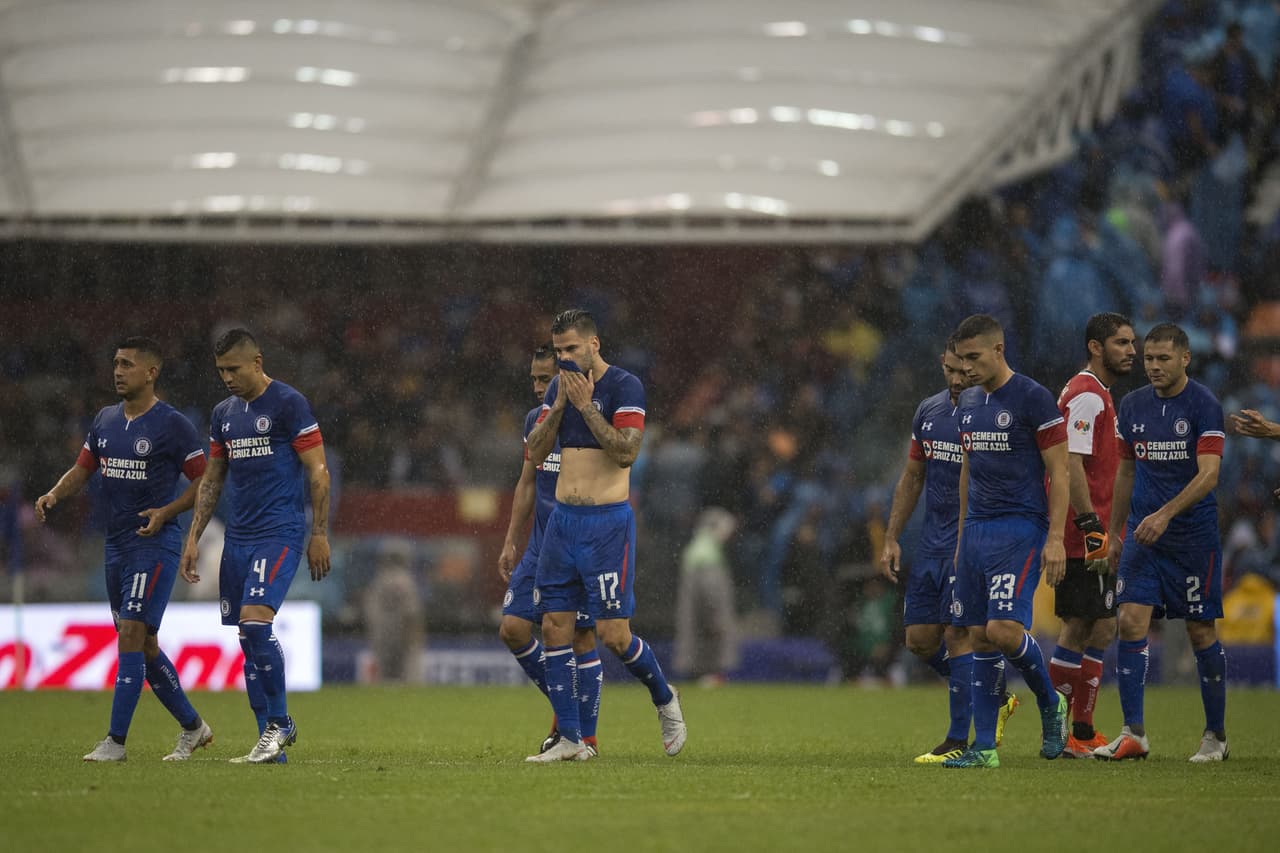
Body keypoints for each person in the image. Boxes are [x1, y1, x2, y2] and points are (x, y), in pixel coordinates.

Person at [35, 337, 213, 762]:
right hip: (115, 545)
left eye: (128, 364)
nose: (118, 371)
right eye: (116, 362)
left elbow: (205, 481)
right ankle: (194, 728)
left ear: (151, 372)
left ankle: (115, 742)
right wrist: (54, 494)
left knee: (132, 633)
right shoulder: (105, 420)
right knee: (144, 645)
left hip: (154, 543)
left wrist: (167, 512)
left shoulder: (173, 425)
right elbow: (82, 469)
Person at [523, 308, 685, 762]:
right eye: (559, 351)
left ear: (594, 344)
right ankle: (571, 740)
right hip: (562, 523)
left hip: (606, 526)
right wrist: (559, 405)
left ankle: (664, 697)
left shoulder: (624, 387)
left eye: (572, 348)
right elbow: (535, 452)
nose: (564, 358)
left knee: (614, 635)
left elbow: (626, 452)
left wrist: (586, 408)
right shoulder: (558, 388)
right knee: (554, 625)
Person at [179, 329, 331, 764]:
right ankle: (269, 747)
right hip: (238, 537)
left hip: (279, 531)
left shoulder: (288, 404)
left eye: (234, 369)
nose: (227, 378)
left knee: (256, 624)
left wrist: (319, 533)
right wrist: (193, 538)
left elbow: (318, 471)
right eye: (221, 371)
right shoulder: (223, 414)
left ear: (257, 362)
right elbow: (212, 479)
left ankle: (280, 723)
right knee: (247, 640)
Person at [1094, 323, 1228, 762]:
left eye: (1163, 358)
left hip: (1191, 538)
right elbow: (1126, 471)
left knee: (1199, 629)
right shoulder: (1132, 405)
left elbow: (1209, 475)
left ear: (1185, 358)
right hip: (1143, 535)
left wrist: (1166, 514)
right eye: (1149, 358)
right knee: (1130, 621)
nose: (1153, 366)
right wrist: (1115, 533)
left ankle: (1216, 736)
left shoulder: (1204, 405)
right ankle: (1133, 732)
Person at [880, 338, 1018, 764]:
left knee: (958, 635)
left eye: (964, 371)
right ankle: (993, 695)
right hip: (931, 545)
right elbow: (912, 477)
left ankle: (958, 738)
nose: (957, 379)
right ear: (942, 363)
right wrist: (891, 537)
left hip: (971, 541)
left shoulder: (992, 414)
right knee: (920, 640)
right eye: (950, 370)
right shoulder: (929, 411)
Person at [943, 314, 1070, 768]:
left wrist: (1056, 537)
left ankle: (1050, 701)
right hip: (977, 530)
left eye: (974, 357)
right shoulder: (968, 401)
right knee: (978, 635)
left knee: (1002, 630)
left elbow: (1060, 471)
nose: (966, 368)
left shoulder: (1033, 398)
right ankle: (984, 749)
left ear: (999, 350)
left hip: (1020, 528)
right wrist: (961, 536)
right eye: (961, 359)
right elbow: (967, 470)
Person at [497, 343, 603, 755]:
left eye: (546, 379)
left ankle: (583, 738)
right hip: (539, 547)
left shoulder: (586, 421)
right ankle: (568, 713)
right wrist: (511, 539)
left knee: (581, 638)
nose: (538, 387)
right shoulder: (535, 421)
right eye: (534, 379)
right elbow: (527, 482)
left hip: (577, 547)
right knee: (513, 628)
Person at [1048, 313, 1136, 758]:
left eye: (1132, 343)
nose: (1132, 351)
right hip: (1083, 532)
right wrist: (1089, 526)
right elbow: (1071, 463)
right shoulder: (1087, 395)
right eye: (1122, 343)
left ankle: (1080, 730)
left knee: (1100, 625)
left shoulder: (1097, 392)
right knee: (1080, 625)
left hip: (1092, 530)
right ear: (1095, 347)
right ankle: (1060, 733)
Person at [674, 506, 739, 686]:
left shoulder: (696, 549)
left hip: (696, 625)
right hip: (706, 628)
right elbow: (710, 594)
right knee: (707, 658)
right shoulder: (707, 555)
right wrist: (716, 619)